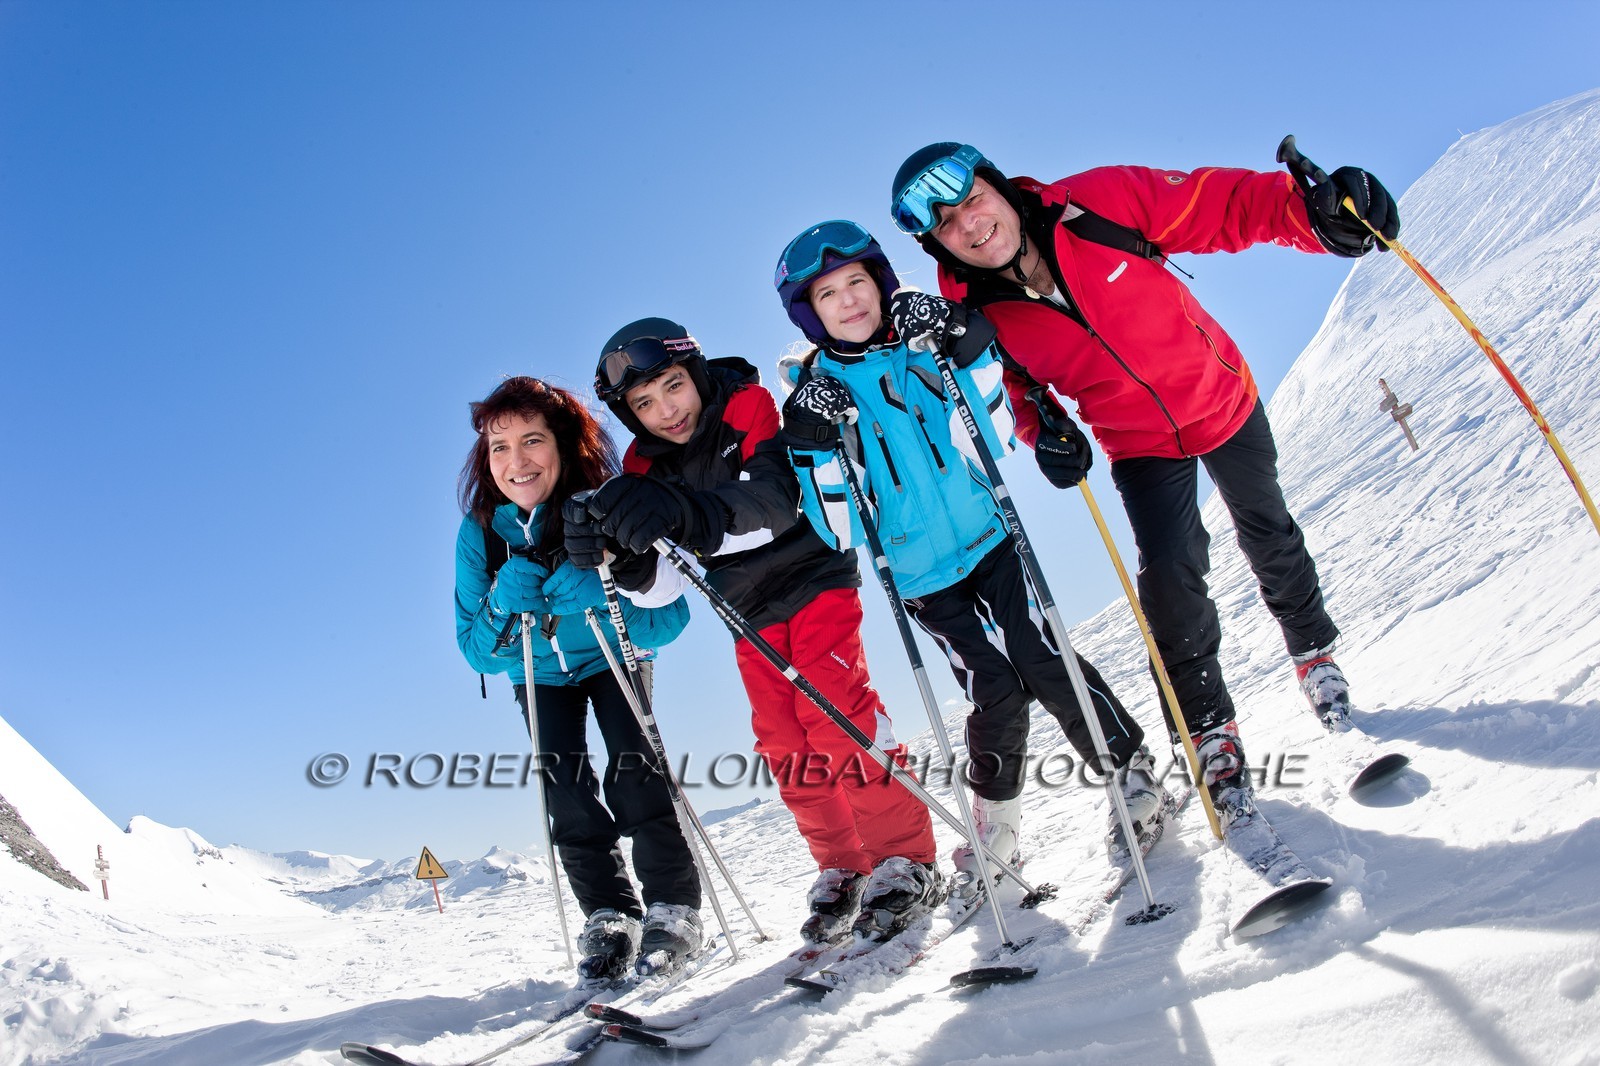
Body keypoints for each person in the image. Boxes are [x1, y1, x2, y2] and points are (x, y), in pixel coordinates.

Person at [888, 143, 1401, 826]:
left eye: (971, 200)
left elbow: (1224, 207)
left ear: (999, 185)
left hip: (1220, 396)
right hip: (1138, 441)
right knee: (1168, 580)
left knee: (1267, 529)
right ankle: (1210, 737)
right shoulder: (979, 318)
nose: (969, 225)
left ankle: (1313, 655)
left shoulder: (1097, 201)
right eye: (946, 224)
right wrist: (1048, 435)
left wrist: (1315, 215)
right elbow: (1021, 389)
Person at [773, 220, 1165, 887]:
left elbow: (994, 434)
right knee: (995, 689)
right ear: (810, 315)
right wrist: (812, 437)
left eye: (858, 283)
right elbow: (838, 526)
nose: (849, 301)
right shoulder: (814, 402)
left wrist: (966, 341)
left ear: (882, 284)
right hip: (923, 576)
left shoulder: (925, 353)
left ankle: (1130, 775)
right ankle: (997, 824)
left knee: (1043, 655)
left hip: (990, 537)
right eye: (829, 294)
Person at [562, 318, 941, 943]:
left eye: (674, 386)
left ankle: (905, 856)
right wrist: (626, 554)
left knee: (834, 711)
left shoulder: (747, 403)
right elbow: (664, 584)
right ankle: (844, 865)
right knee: (783, 739)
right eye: (644, 403)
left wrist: (681, 513)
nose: (666, 411)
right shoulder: (641, 464)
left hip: (813, 576)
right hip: (746, 611)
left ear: (698, 372)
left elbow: (773, 503)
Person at [454, 375, 700, 979]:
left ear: (563, 444)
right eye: (499, 447)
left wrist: (606, 585)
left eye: (532, 440)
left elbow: (671, 618)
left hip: (615, 656)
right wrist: (504, 603)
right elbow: (475, 650)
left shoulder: (606, 503)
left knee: (635, 776)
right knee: (565, 793)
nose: (517, 461)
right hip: (537, 674)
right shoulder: (481, 533)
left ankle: (674, 909)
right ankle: (610, 916)